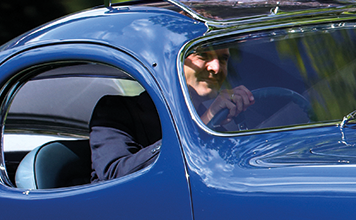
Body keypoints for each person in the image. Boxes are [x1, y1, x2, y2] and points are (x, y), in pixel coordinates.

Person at [88, 47, 256, 182]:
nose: (216, 67)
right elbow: (114, 175)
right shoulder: (117, 109)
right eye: (203, 55)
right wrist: (200, 125)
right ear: (171, 62)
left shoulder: (217, 121)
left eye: (223, 59)